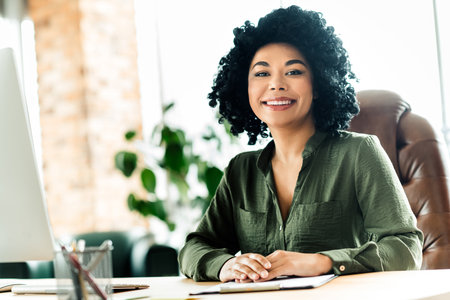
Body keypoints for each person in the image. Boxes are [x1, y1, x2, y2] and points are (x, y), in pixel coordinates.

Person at [178, 5, 423, 282]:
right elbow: (193, 248)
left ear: (318, 85)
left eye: (293, 72)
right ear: (243, 87)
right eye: (261, 73)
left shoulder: (359, 153)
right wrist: (224, 265)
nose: (276, 84)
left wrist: (322, 262)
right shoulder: (240, 170)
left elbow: (405, 247)